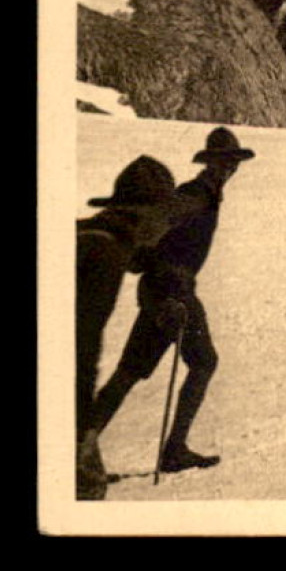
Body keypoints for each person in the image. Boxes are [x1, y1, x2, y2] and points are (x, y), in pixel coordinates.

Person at [86, 127, 255, 477]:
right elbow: (157, 230)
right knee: (204, 361)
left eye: (231, 163)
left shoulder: (206, 194)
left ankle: (79, 449)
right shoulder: (195, 196)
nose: (227, 169)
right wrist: (169, 290)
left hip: (158, 290)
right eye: (222, 162)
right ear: (209, 164)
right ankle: (174, 449)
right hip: (173, 291)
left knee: (129, 373)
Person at [77, 154, 181, 500]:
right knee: (86, 488)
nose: (169, 225)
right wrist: (82, 428)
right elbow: (80, 345)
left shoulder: (91, 234)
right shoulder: (106, 255)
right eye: (165, 215)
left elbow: (137, 253)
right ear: (145, 213)